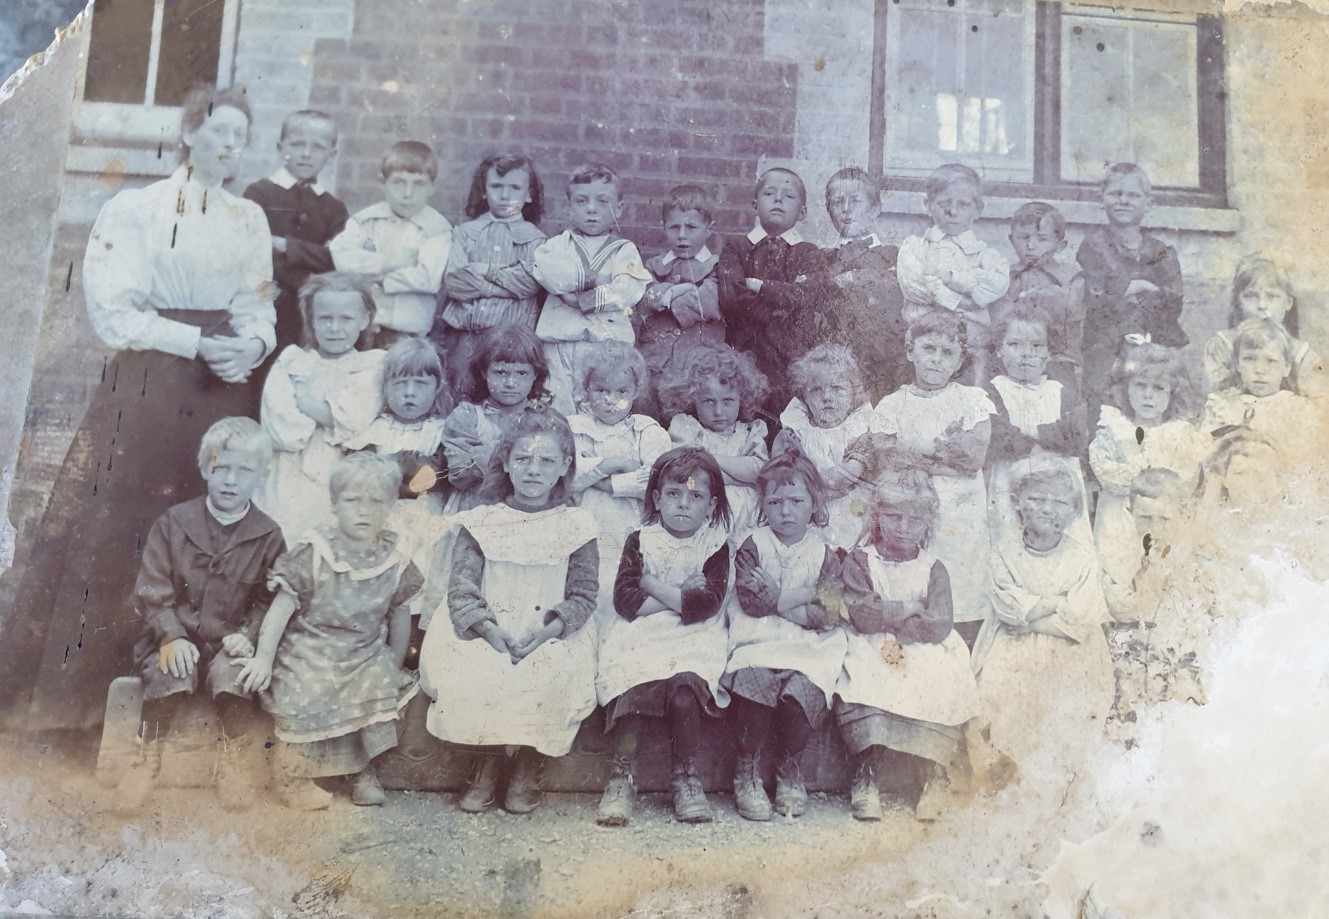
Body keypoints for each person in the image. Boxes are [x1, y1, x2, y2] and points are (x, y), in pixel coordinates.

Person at [1, 84, 276, 730]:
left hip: (222, 386)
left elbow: (257, 299)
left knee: (213, 522)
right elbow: (115, 314)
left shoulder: (248, 218)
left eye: (240, 136)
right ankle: (79, 703)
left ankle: (191, 703)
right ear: (188, 135)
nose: (228, 146)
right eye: (216, 132)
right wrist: (199, 342)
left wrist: (254, 343)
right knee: (122, 526)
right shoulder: (138, 208)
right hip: (153, 385)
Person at [419, 407, 599, 815]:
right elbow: (462, 590)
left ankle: (527, 764)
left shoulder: (577, 524)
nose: (533, 470)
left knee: (552, 672)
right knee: (482, 670)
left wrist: (548, 631)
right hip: (490, 628)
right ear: (505, 461)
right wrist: (488, 630)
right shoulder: (483, 522)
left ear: (565, 466)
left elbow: (583, 595)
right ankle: (487, 760)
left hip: (548, 631)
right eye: (523, 459)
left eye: (547, 461)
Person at [114, 418, 285, 814]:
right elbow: (152, 589)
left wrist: (250, 634)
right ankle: (146, 759)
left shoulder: (268, 534)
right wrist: (171, 634)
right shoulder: (174, 522)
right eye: (220, 467)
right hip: (175, 636)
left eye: (243, 471)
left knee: (234, 674)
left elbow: (269, 598)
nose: (230, 480)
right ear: (205, 468)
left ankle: (233, 762)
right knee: (171, 667)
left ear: (262, 475)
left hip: (228, 640)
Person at [237, 453, 423, 810]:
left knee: (378, 683)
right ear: (335, 504)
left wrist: (394, 662)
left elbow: (399, 614)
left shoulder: (393, 557)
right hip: (311, 646)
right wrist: (263, 658)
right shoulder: (316, 552)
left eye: (376, 502)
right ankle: (292, 774)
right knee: (307, 685)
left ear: (390, 505)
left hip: (363, 651)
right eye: (353, 501)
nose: (364, 511)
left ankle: (359, 770)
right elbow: (280, 611)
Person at [595, 447, 732, 827]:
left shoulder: (714, 544)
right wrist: (674, 591)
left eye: (696, 496)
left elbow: (706, 603)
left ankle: (686, 776)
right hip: (642, 631)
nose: (683, 505)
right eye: (673, 494)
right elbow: (626, 602)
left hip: (694, 634)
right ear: (656, 498)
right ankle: (622, 776)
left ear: (711, 504)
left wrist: (652, 586)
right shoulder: (640, 539)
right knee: (632, 677)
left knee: (686, 687)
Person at [834, 468, 981, 822]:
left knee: (940, 672)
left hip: (923, 644)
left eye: (914, 519)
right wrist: (904, 609)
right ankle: (867, 774)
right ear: (877, 516)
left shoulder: (933, 568)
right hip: (875, 643)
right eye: (893, 516)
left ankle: (933, 773)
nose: (902, 526)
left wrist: (896, 620)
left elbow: (938, 622)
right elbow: (862, 615)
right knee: (868, 669)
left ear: (928, 523)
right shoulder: (861, 561)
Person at [845, 311, 996, 638]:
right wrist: (942, 455)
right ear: (911, 350)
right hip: (910, 509)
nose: (937, 360)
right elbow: (885, 456)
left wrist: (911, 449)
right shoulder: (893, 404)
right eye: (929, 349)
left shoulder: (971, 400)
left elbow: (972, 457)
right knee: (914, 580)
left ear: (959, 361)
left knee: (960, 584)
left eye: (947, 353)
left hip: (961, 510)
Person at [724, 451, 847, 821]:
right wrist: (801, 597)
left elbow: (828, 613)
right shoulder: (753, 545)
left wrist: (777, 595)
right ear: (763, 504)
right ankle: (746, 769)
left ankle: (789, 768)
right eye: (774, 503)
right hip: (758, 636)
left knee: (801, 693)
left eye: (796, 501)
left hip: (809, 642)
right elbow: (751, 601)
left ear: (814, 504)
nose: (785, 512)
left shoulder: (825, 553)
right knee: (755, 683)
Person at [974, 456, 1113, 767]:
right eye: (1037, 499)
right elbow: (1008, 608)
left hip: (1069, 645)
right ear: (1018, 503)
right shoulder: (1004, 553)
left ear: (1075, 511)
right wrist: (1055, 602)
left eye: (1060, 502)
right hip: (1012, 645)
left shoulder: (1082, 558)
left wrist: (1032, 621)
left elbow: (1081, 617)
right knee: (1003, 697)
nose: (1048, 509)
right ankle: (1013, 772)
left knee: (1069, 702)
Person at [258, 273, 385, 540]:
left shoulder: (372, 366)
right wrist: (326, 416)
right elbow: (281, 428)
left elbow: (353, 420)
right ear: (312, 320)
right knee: (285, 535)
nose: (334, 328)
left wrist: (303, 401)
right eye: (325, 318)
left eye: (346, 319)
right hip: (289, 472)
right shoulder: (292, 362)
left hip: (341, 471)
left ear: (363, 320)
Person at [343, 337, 453, 626]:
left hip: (423, 520)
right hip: (384, 521)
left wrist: (393, 465)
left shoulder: (439, 432)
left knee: (420, 574)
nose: (409, 394)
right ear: (385, 387)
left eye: (420, 384)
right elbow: (359, 472)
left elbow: (436, 477)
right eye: (399, 384)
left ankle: (410, 645)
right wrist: (406, 466)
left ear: (437, 387)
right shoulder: (374, 430)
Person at [567, 342, 671, 632]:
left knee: (622, 582)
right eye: (601, 390)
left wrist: (603, 481)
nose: (611, 400)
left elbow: (654, 478)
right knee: (586, 583)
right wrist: (611, 464)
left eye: (621, 392)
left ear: (636, 391)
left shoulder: (645, 430)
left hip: (628, 523)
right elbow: (566, 474)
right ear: (586, 390)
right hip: (585, 521)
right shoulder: (573, 427)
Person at [532, 163, 650, 414]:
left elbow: (629, 289)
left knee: (598, 409)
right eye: (582, 201)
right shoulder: (558, 245)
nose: (592, 209)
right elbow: (546, 270)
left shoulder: (623, 249)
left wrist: (581, 299)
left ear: (618, 208)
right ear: (569, 207)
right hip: (560, 345)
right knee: (558, 405)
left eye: (603, 201)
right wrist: (601, 278)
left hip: (606, 347)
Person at [1088, 343, 1205, 587]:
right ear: (1126, 389)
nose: (1148, 395)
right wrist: (1147, 476)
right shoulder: (1115, 427)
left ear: (1172, 392)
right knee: (1117, 574)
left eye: (1158, 388)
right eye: (1140, 386)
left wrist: (1153, 481)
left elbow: (1185, 479)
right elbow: (1105, 470)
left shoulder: (1180, 434)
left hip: (1162, 515)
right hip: (1118, 517)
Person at [717, 166, 827, 416]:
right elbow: (731, 298)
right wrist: (777, 310)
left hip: (790, 357)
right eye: (769, 193)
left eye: (788, 196)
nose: (778, 199)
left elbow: (806, 297)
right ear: (755, 204)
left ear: (804, 212)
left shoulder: (809, 253)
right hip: (744, 352)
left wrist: (758, 286)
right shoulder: (736, 247)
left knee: (785, 419)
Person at [1076, 163, 1186, 410]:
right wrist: (1137, 285)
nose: (1123, 201)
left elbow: (1173, 301)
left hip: (1152, 341)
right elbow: (1095, 296)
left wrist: (1124, 292)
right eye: (1115, 193)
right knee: (1104, 402)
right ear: (1101, 199)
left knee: (1156, 396)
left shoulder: (1161, 252)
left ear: (1148, 203)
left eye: (1133, 195)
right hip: (1106, 343)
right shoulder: (1094, 246)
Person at [436, 153, 547, 395]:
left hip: (510, 343)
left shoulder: (534, 238)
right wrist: (506, 287)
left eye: (515, 187)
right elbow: (456, 281)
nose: (505, 195)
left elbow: (529, 282)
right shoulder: (466, 233)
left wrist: (487, 273)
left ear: (529, 195)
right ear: (484, 190)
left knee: (502, 398)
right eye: (496, 186)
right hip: (464, 337)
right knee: (458, 393)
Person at [243, 110, 348, 357]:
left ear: (331, 155)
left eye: (318, 147)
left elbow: (340, 258)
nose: (306, 154)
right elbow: (254, 252)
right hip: (263, 301)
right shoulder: (259, 194)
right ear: (281, 147)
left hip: (310, 314)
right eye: (297, 144)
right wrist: (311, 268)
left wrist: (285, 246)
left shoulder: (334, 208)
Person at [985, 303, 1091, 544]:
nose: (1026, 354)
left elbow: (1076, 437)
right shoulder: (993, 391)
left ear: (1049, 352)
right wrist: (1048, 440)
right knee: (1010, 538)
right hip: (1009, 480)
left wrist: (1030, 431)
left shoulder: (1061, 391)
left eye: (1036, 346)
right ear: (999, 350)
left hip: (1059, 483)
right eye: (1014, 345)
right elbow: (999, 436)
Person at [330, 140, 452, 346]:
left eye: (419, 184)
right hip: (364, 325)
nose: (407, 194)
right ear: (383, 181)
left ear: (432, 186)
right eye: (398, 182)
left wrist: (378, 277)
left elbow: (427, 278)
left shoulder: (436, 229)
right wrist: (387, 264)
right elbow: (341, 257)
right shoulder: (366, 220)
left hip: (409, 328)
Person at [896, 163, 1010, 383]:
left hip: (973, 340)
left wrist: (946, 283)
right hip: (925, 337)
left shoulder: (986, 255)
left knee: (976, 387)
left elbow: (996, 284)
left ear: (978, 209)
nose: (953, 211)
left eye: (964, 204)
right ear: (928, 206)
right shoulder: (915, 247)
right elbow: (915, 285)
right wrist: (961, 300)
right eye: (943, 203)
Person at [659, 341, 771, 544]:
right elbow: (688, 473)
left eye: (728, 401)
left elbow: (759, 471)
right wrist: (740, 476)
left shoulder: (749, 432)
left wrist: (708, 458)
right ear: (692, 400)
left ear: (742, 398)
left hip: (746, 522)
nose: (719, 411)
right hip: (703, 523)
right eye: (708, 401)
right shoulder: (687, 427)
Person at [817, 167, 907, 403]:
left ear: (875, 209)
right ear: (829, 211)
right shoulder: (821, 258)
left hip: (884, 359)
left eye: (855, 200)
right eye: (838, 202)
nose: (846, 209)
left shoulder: (892, 255)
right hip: (838, 363)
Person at [773, 343, 875, 549]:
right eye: (816, 389)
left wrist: (816, 496)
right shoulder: (795, 433)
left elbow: (849, 476)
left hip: (853, 510)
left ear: (853, 394)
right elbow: (783, 475)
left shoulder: (859, 431)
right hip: (808, 515)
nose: (827, 397)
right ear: (805, 396)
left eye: (837, 388)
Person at [637, 184, 726, 417]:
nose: (682, 235)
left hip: (699, 365)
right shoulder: (654, 266)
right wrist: (682, 290)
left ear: (709, 229)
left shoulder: (717, 266)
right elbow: (643, 297)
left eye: (691, 227)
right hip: (657, 363)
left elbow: (709, 301)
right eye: (674, 227)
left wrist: (665, 297)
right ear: (664, 228)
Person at [1202, 254, 1326, 397]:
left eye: (1272, 296)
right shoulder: (1222, 347)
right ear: (1238, 302)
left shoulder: (1302, 356)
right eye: (1252, 296)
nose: (1262, 305)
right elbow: (1213, 399)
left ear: (1288, 303)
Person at [991, 201, 1084, 388]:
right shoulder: (1004, 276)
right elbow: (999, 316)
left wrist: (1036, 298)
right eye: (1023, 237)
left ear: (1060, 245)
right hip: (1014, 358)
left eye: (1042, 239)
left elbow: (1071, 309)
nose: (1031, 246)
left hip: (1060, 358)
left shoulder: (1071, 277)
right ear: (1011, 240)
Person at [1200, 317, 1319, 452]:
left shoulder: (1298, 409)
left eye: (1271, 361)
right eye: (1249, 359)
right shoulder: (1222, 405)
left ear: (1286, 367)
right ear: (1238, 364)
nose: (1259, 370)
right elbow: (1208, 453)